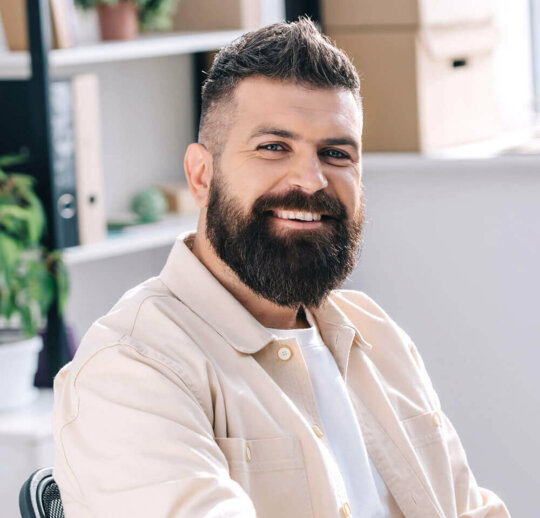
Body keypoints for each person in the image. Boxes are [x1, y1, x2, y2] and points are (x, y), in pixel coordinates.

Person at [52, 18, 511, 518]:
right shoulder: (131, 367)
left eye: (335, 154)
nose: (311, 180)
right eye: (274, 147)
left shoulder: (378, 338)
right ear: (202, 176)